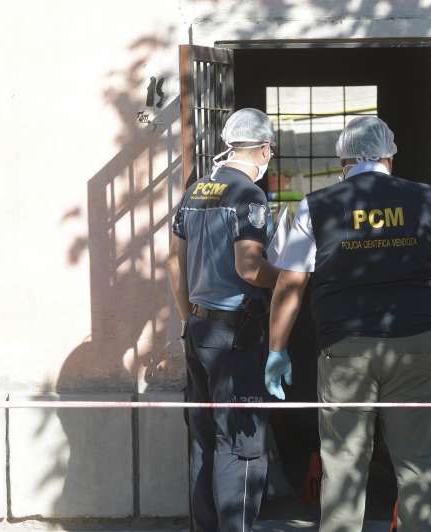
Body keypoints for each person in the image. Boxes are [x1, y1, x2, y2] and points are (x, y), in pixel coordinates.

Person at [264, 116, 431, 532]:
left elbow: (290, 284)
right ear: (390, 157)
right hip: (416, 345)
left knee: (343, 465)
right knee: (419, 465)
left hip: (344, 348)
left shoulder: (316, 205)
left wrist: (277, 348)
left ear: (342, 160)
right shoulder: (429, 200)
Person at [167, 108, 280, 532]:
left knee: (204, 440)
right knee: (241, 441)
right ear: (264, 149)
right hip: (235, 333)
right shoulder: (248, 195)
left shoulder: (195, 191)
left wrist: (189, 319)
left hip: (198, 329)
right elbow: (250, 268)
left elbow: (174, 264)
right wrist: (290, 277)